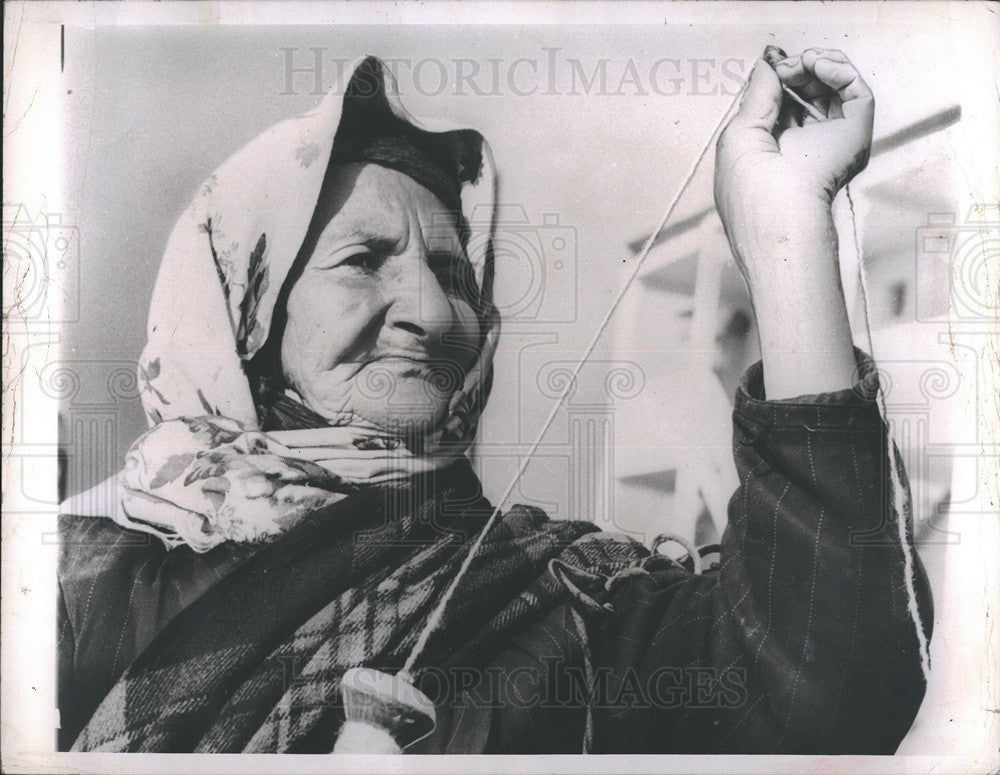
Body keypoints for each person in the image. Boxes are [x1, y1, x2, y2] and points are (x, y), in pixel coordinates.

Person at [58, 50, 931, 754]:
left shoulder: (562, 600)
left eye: (452, 274)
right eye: (365, 259)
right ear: (243, 316)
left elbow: (832, 688)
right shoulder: (69, 577)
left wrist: (784, 233)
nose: (437, 314)